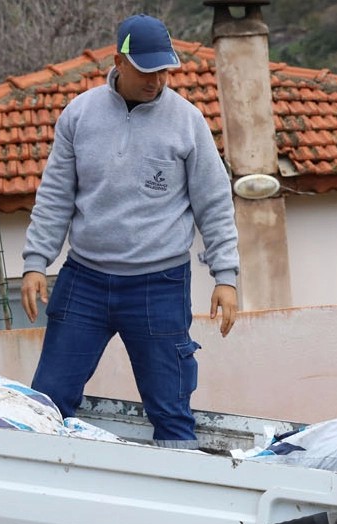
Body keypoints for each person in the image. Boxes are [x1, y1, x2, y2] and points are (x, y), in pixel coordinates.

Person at [20, 14, 239, 448]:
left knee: (171, 411)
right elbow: (55, 196)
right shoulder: (79, 115)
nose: (157, 80)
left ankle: (179, 503)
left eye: (164, 70)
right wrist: (35, 263)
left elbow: (214, 203)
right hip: (84, 281)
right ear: (118, 60)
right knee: (47, 401)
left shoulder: (188, 121)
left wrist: (226, 276)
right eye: (146, 69)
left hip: (159, 285)